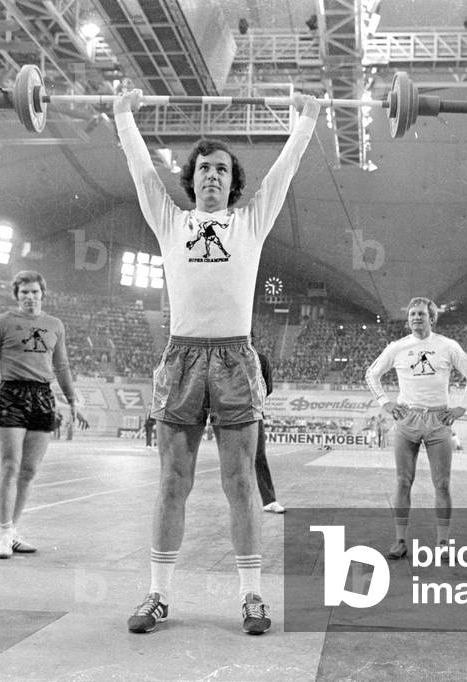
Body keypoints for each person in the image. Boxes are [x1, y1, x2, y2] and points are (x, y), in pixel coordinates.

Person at [113, 87, 320, 635]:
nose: (211, 177)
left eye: (222, 170)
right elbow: (139, 171)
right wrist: (122, 118)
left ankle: (252, 596)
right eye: (203, 168)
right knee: (171, 483)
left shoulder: (251, 223)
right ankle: (158, 595)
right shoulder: (170, 221)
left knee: (240, 484)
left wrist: (305, 123)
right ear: (191, 178)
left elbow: (284, 172)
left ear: (233, 183)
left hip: (233, 360)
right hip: (182, 360)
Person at [0, 271, 77, 560]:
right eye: (24, 292)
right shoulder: (2, 323)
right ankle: (2, 534)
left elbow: (62, 366)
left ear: (43, 294)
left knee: (29, 471)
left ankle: (12, 530)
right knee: (10, 466)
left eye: (35, 292)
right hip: (12, 394)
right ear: (17, 295)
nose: (30, 297)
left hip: (43, 395)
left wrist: (73, 399)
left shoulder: (55, 325)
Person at [365, 297, 467, 559]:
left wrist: (462, 407)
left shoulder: (447, 346)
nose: (416, 318)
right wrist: (386, 403)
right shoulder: (398, 347)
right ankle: (400, 541)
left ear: (432, 318)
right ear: (408, 320)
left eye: (421, 314)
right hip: (407, 420)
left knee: (442, 483)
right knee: (403, 481)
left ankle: (443, 543)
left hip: (439, 421)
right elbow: (372, 374)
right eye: (412, 314)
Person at [253, 340, 284, 514]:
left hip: (253, 412)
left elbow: (267, 388)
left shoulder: (261, 360)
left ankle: (269, 500)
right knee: (236, 462)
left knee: (258, 457)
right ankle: (242, 502)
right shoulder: (226, 359)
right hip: (229, 414)